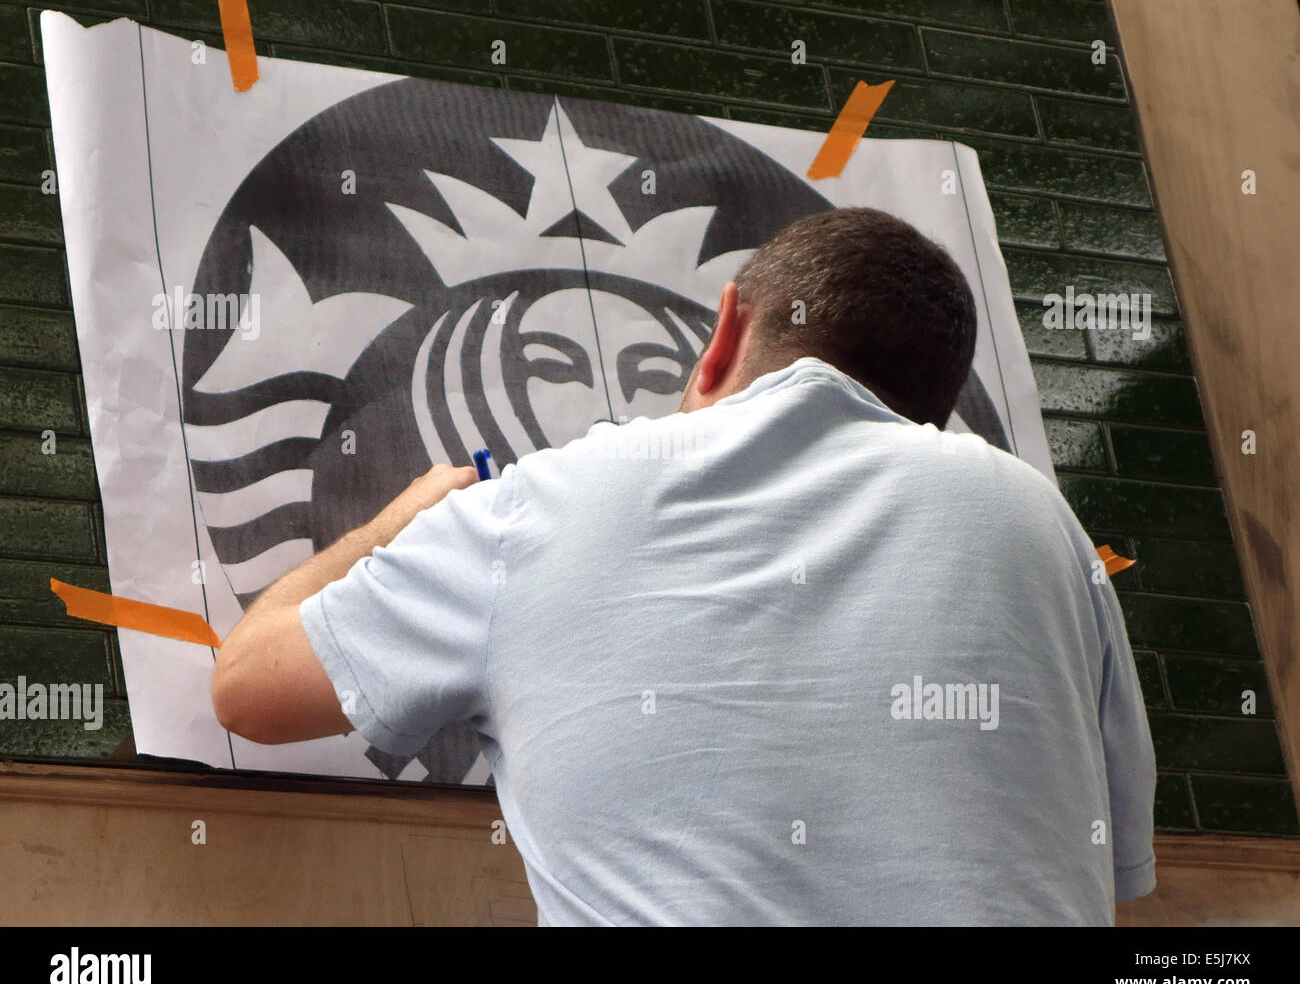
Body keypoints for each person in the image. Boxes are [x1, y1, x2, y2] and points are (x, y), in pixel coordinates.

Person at [211, 207, 1157, 926]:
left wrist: (390, 527)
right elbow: (1117, 880)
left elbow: (249, 688)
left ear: (723, 334)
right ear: (934, 412)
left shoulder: (534, 509)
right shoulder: (1044, 525)